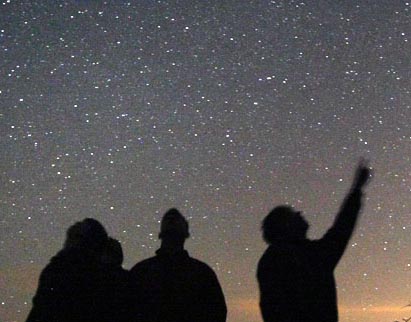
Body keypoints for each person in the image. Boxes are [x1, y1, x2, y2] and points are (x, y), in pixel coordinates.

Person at [257, 161, 371, 322]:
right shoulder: (308, 255)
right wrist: (356, 189)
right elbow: (341, 230)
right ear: (286, 225)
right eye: (293, 214)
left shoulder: (271, 260)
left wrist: (357, 190)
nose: (299, 213)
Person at [129, 208, 227, 322]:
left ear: (162, 234)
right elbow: (217, 312)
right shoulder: (202, 272)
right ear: (185, 235)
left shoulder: (141, 271)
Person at [26, 218, 109, 322]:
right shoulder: (98, 272)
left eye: (80, 225)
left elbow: (43, 306)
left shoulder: (64, 267)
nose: (76, 223)